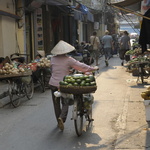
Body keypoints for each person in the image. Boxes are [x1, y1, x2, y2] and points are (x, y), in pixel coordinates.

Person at [49, 40, 98, 131]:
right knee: (65, 102)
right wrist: (92, 68)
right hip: (63, 84)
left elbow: (54, 70)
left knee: (56, 104)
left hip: (53, 83)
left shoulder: (52, 59)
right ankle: (62, 119)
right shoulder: (68, 59)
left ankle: (58, 120)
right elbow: (81, 66)